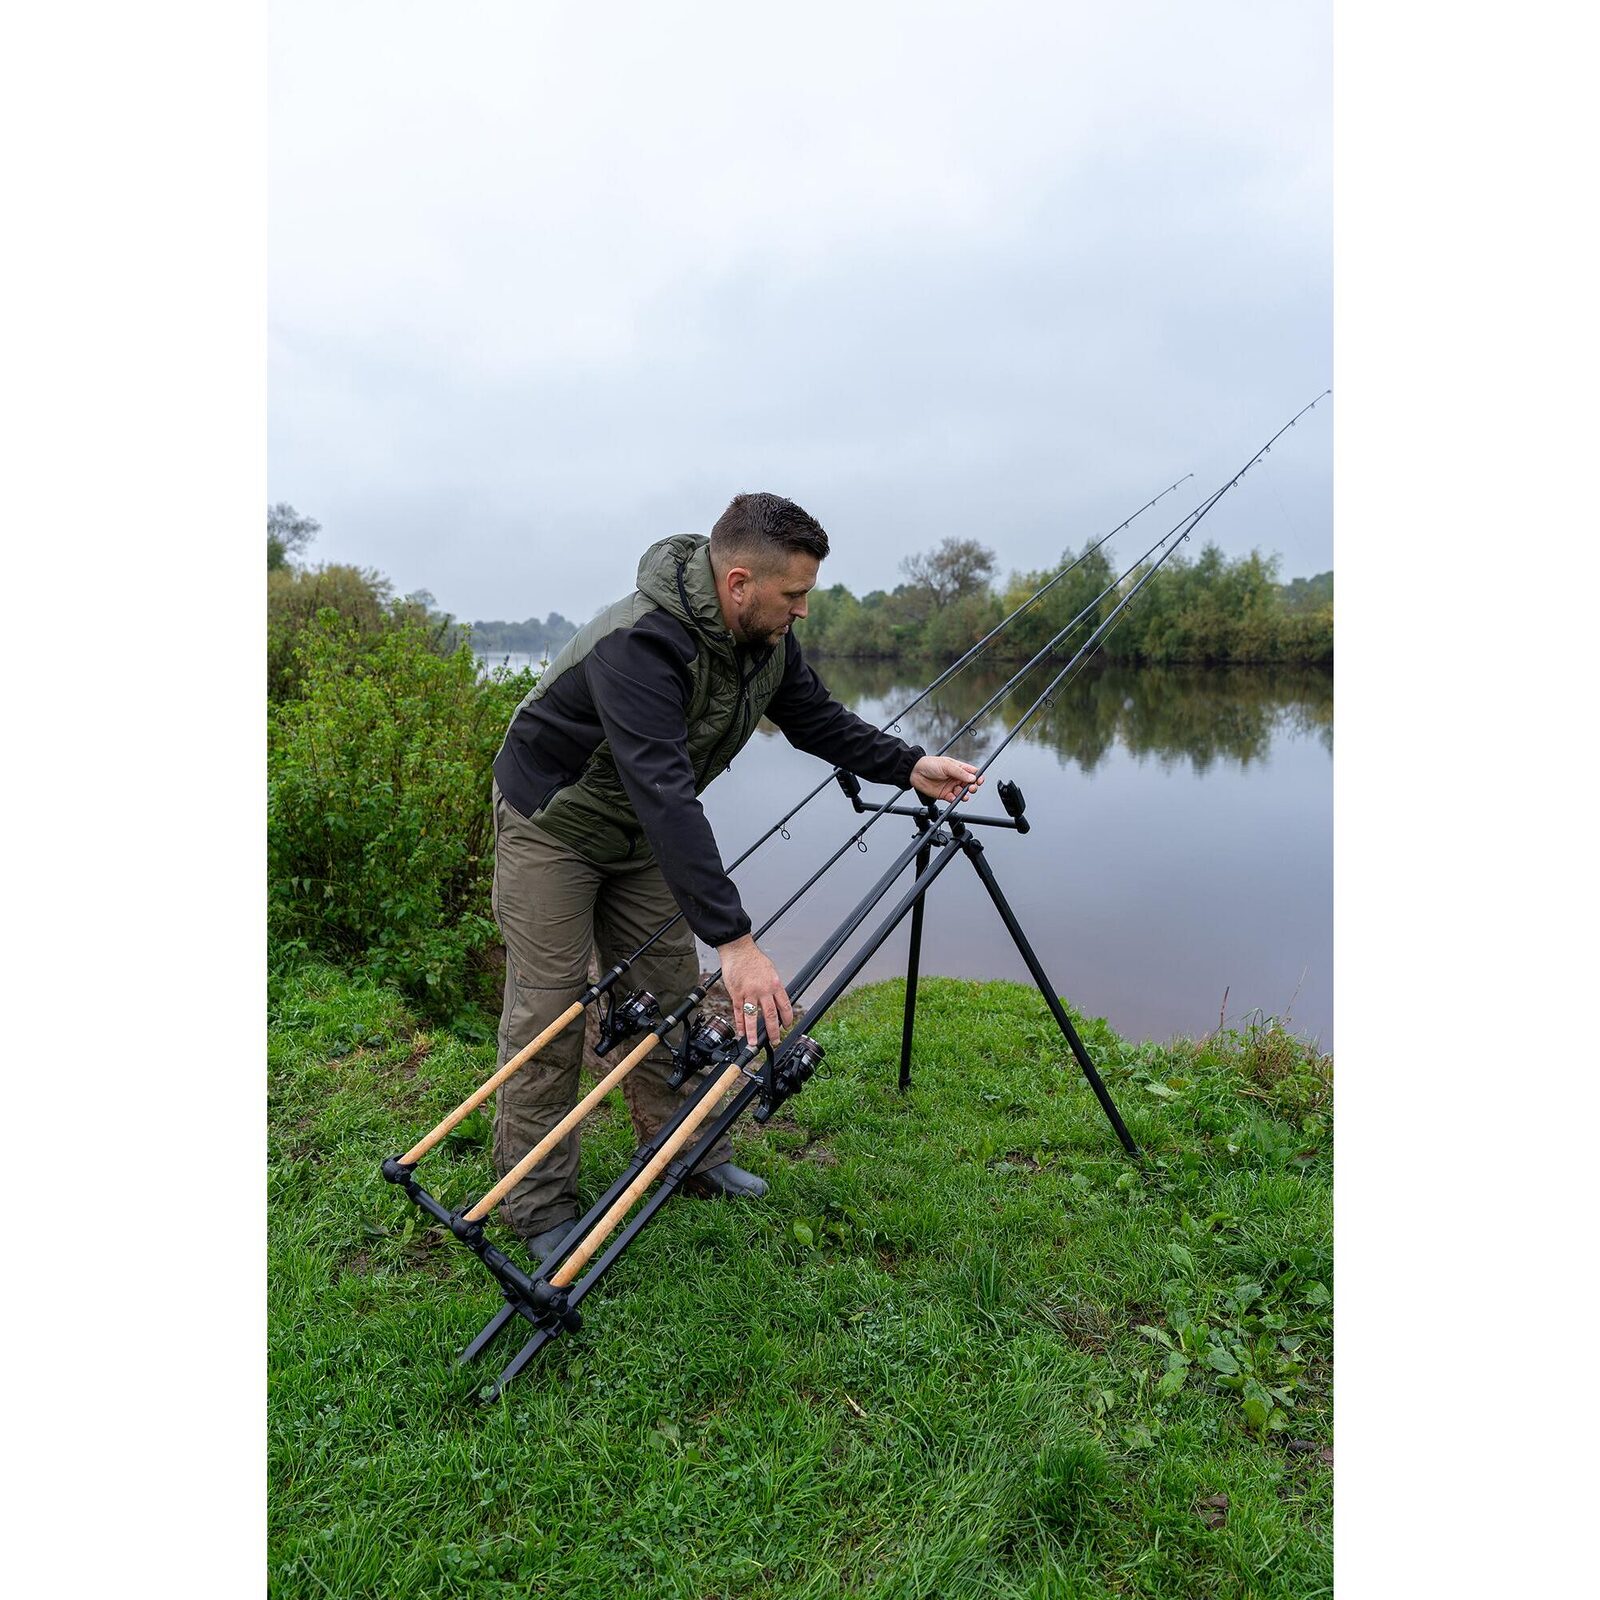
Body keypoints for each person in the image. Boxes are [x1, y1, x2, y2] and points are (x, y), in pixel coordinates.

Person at [489, 491, 982, 1259]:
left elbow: (816, 719)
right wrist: (736, 941)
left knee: (669, 995)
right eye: (795, 595)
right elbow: (665, 793)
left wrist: (908, 765)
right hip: (554, 825)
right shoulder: (638, 644)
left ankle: (687, 1154)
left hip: (640, 834)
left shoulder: (765, 640)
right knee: (549, 1013)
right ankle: (537, 1202)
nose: (803, 610)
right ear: (740, 583)